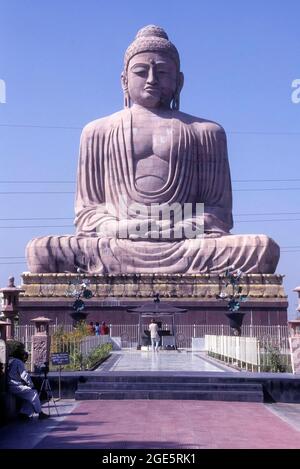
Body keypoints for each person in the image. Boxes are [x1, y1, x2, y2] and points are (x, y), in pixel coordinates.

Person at [26, 25, 279, 275]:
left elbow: (218, 213)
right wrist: (124, 228)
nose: (151, 80)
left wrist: (175, 229)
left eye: (162, 72)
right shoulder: (97, 131)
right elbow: (88, 213)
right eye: (140, 71)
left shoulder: (206, 132)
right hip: (117, 241)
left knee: (261, 248)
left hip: (185, 242)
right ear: (124, 81)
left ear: (178, 81)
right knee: (42, 250)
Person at [7, 350, 49, 421]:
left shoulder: (11, 361)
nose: (26, 359)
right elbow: (24, 375)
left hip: (11, 385)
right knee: (34, 393)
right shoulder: (18, 362)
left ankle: (23, 413)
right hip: (15, 386)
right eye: (25, 357)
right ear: (22, 356)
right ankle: (40, 413)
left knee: (29, 397)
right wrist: (31, 384)